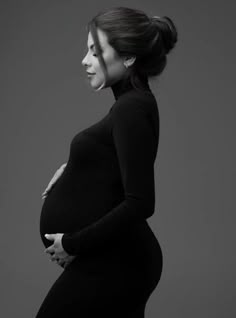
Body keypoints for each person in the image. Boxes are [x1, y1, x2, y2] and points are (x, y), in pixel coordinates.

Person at [36, 6, 178, 318]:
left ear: (128, 58)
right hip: (115, 259)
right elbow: (116, 167)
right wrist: (75, 166)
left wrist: (73, 243)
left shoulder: (131, 108)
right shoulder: (132, 105)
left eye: (95, 51)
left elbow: (140, 202)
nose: (85, 61)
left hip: (119, 263)